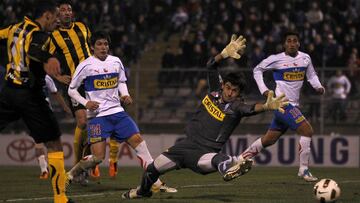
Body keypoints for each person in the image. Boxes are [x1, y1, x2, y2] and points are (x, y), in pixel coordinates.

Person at [122, 34, 289, 199]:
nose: (230, 93)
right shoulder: (214, 91)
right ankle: (142, 192)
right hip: (184, 147)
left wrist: (266, 106)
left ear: (239, 94)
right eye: (228, 88)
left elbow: (250, 109)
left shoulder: (236, 106)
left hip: (204, 154)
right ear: (223, 85)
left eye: (235, 91)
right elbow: (210, 66)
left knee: (218, 160)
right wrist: (223, 54)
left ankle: (231, 166)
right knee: (152, 168)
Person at [66, 31, 177, 193]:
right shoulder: (86, 65)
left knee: (139, 143)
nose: (103, 48)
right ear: (92, 47)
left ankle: (156, 182)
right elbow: (71, 90)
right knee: (97, 158)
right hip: (97, 117)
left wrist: (125, 94)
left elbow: (121, 82)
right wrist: (86, 102)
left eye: (106, 44)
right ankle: (70, 175)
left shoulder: (115, 61)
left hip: (118, 113)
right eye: (99, 44)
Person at [0, 1, 71, 202]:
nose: (57, 20)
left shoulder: (14, 28)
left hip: (8, 92)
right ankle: (60, 199)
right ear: (46, 16)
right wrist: (48, 58)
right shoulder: (39, 34)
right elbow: (34, 50)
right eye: (55, 16)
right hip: (30, 95)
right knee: (54, 141)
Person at [239, 31, 325, 182]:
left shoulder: (305, 58)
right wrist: (264, 90)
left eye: (295, 41)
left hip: (294, 105)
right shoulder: (276, 59)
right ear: (285, 44)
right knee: (307, 130)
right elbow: (257, 70)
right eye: (289, 41)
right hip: (282, 103)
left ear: (298, 43)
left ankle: (240, 158)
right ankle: (303, 170)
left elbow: (311, 75)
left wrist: (318, 86)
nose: (292, 43)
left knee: (269, 139)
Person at [49, 0, 119, 179]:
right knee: (82, 122)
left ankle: (86, 165)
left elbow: (94, 48)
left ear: (72, 13)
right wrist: (57, 77)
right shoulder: (54, 36)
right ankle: (77, 164)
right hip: (74, 82)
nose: (66, 12)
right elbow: (46, 59)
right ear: (58, 14)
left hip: (92, 80)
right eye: (63, 10)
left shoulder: (82, 27)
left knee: (94, 122)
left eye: (69, 10)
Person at [36, 75, 72, 179]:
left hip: (33, 113)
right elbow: (55, 93)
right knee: (54, 143)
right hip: (46, 112)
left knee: (38, 143)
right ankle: (58, 171)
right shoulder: (46, 77)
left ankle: (44, 170)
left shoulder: (25, 77)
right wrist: (65, 107)